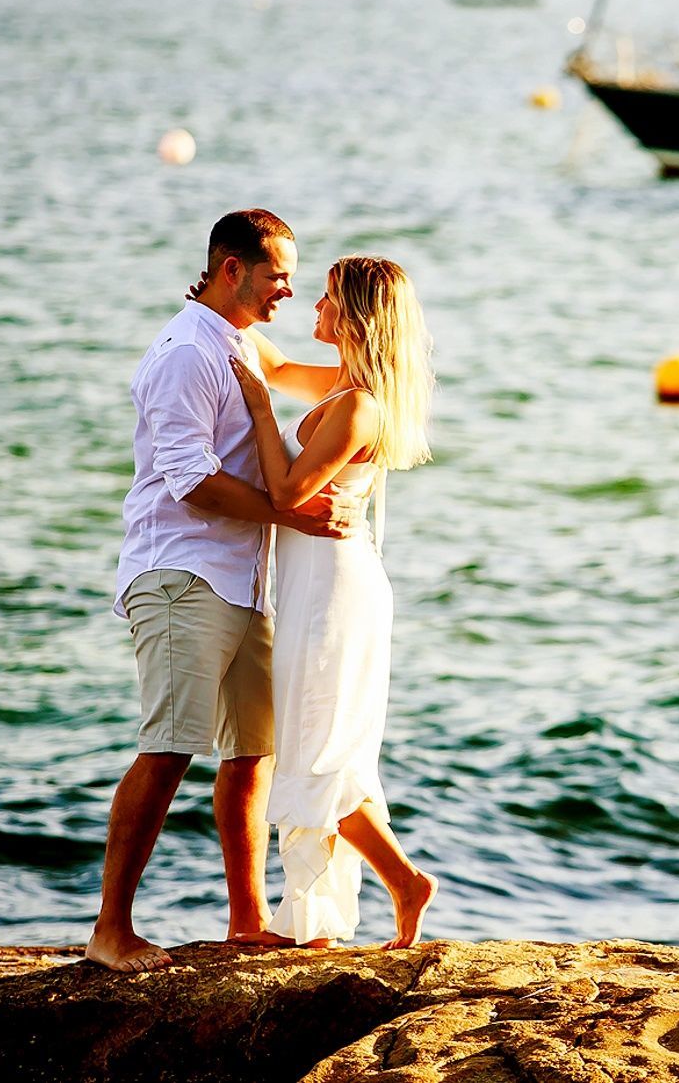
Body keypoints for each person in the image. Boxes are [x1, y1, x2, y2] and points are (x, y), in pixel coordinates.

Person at [89, 209, 355, 973]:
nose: (288, 290)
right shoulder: (184, 353)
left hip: (244, 577)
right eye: (277, 275)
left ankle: (247, 917)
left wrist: (386, 362)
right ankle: (112, 929)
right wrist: (294, 511)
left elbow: (315, 377)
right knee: (170, 746)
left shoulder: (242, 341)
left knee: (253, 753)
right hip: (181, 572)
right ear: (231, 268)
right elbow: (192, 483)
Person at [227, 254, 438, 948]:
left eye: (324, 299)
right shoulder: (344, 388)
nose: (311, 309)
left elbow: (288, 494)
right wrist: (219, 305)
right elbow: (279, 365)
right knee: (326, 749)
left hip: (333, 593)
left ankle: (404, 881)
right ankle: (319, 917)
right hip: (323, 583)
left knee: (316, 750)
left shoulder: (357, 407)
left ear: (352, 316)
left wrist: (258, 408)